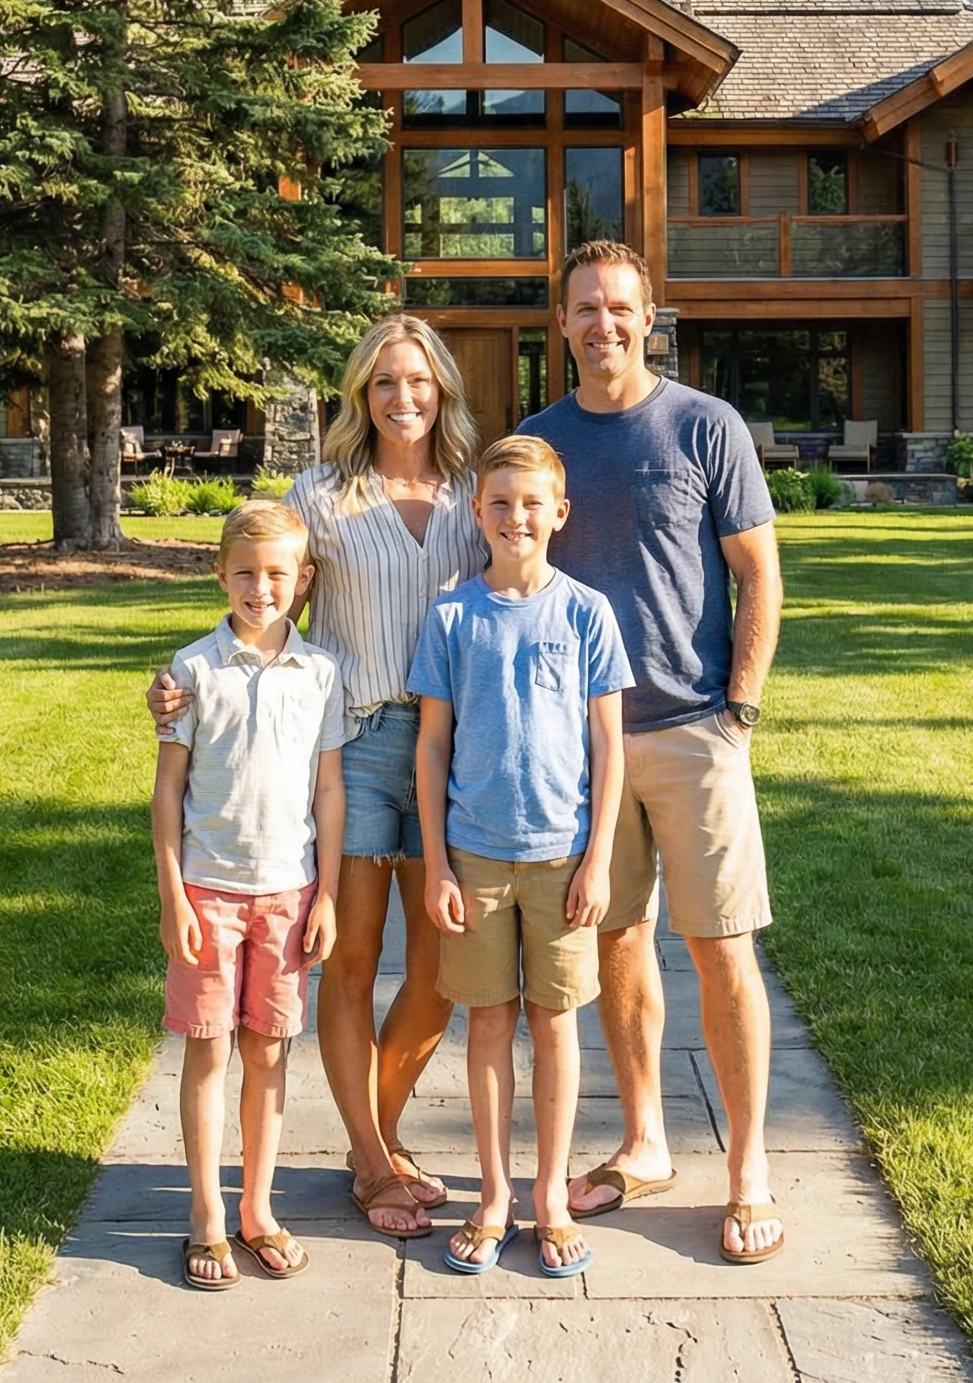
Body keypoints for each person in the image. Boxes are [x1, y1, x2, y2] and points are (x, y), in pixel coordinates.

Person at [148, 316, 486, 1238]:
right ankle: (375, 1161)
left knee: (443, 969)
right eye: (384, 383)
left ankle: (367, 1131)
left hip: (454, 748)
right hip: (351, 746)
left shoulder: (472, 493)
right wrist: (182, 686)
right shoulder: (323, 492)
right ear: (359, 394)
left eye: (418, 381)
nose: (402, 398)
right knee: (346, 963)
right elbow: (257, 597)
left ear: (442, 388)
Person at [521, 239, 787, 1266]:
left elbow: (756, 575)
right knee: (617, 939)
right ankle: (642, 1140)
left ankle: (748, 1163)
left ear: (646, 316)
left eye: (619, 306)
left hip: (691, 728)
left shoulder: (703, 425)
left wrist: (741, 707)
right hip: (583, 744)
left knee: (723, 946)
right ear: (561, 323)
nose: (602, 323)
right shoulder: (536, 445)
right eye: (584, 307)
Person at [412, 434, 629, 1278]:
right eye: (499, 503)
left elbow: (608, 747)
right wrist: (435, 865)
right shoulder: (453, 616)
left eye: (532, 503)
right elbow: (433, 747)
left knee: (555, 1023)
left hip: (563, 857)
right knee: (490, 1023)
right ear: (478, 514)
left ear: (559, 515)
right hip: (475, 858)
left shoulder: (587, 613)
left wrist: (599, 856)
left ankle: (547, 1197)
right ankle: (495, 1194)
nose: (516, 517)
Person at [152, 500, 347, 1290]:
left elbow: (328, 791)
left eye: (277, 575)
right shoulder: (192, 671)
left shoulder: (322, 672)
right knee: (208, 1049)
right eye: (245, 573)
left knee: (269, 1051)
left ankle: (257, 1209)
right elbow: (167, 793)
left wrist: (327, 892)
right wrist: (173, 897)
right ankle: (204, 1214)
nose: (260, 589)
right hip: (208, 891)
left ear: (302, 582)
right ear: (220, 575)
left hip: (288, 895)